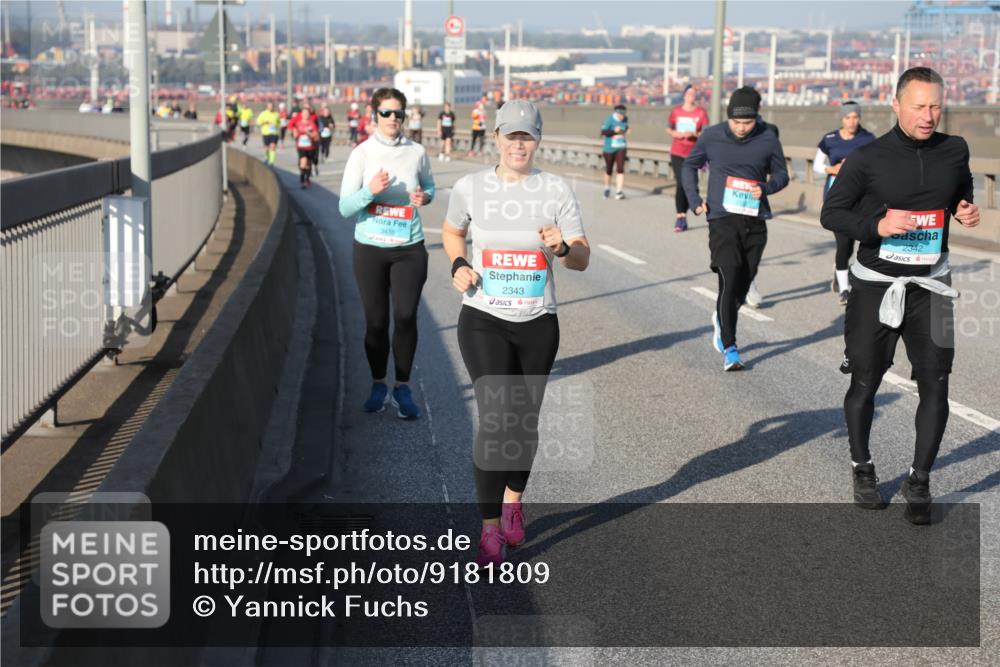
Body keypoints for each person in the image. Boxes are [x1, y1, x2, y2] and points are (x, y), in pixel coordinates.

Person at [820, 67, 978, 524]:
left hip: (933, 286)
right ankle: (862, 467)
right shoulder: (868, 158)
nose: (929, 116)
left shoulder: (955, 150)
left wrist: (965, 207)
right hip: (876, 287)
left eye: (936, 107)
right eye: (919, 106)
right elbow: (832, 213)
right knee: (866, 381)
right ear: (896, 105)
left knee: (937, 383)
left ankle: (920, 479)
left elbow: (960, 188)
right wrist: (877, 227)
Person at [442, 100, 590, 567]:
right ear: (497, 138)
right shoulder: (471, 186)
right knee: (495, 419)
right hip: (483, 316)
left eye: (527, 136)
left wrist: (563, 247)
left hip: (537, 322)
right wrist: (459, 264)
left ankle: (512, 500)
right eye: (511, 136)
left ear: (538, 139)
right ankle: (488, 530)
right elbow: (451, 231)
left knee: (523, 422)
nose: (518, 144)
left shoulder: (556, 188)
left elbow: (582, 256)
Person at [338, 88, 436, 420]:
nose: (393, 119)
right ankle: (379, 383)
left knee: (406, 316)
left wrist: (425, 198)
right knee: (376, 323)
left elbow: (430, 188)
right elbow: (345, 207)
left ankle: (403, 387)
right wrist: (370, 191)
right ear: (374, 115)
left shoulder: (417, 151)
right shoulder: (362, 154)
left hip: (409, 248)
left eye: (398, 113)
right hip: (370, 249)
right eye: (386, 113)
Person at [682, 86, 788, 371]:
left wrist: (765, 188)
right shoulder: (712, 136)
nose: (741, 128)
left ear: (757, 118)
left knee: (744, 282)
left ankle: (722, 316)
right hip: (721, 218)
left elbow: (782, 175)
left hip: (755, 220)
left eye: (747, 122)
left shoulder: (768, 138)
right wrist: (694, 200)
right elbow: (689, 166)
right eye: (736, 122)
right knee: (729, 278)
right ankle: (730, 346)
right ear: (728, 118)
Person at [813, 101, 876, 306]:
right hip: (835, 200)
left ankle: (842, 272)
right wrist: (833, 170)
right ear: (841, 119)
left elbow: (876, 165)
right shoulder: (830, 139)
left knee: (854, 244)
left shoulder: (867, 139)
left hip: (860, 200)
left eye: (855, 117)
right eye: (848, 117)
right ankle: (845, 289)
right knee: (843, 244)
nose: (852, 121)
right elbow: (816, 166)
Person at [666, 85, 709, 231]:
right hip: (677, 151)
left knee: (690, 183)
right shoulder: (676, 111)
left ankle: (692, 206)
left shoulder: (701, 113)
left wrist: (694, 135)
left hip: (693, 153)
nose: (691, 95)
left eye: (694, 93)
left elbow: (706, 132)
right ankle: (680, 217)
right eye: (689, 93)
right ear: (684, 95)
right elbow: (668, 127)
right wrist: (675, 134)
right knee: (681, 182)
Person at [600, 104, 630, 200]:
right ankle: (607, 188)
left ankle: (619, 192)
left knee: (620, 169)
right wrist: (614, 131)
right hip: (609, 148)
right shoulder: (609, 120)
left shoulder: (625, 119)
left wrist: (627, 130)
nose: (622, 117)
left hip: (621, 147)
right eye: (620, 115)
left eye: (623, 115)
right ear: (616, 113)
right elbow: (603, 132)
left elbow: (625, 128)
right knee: (609, 169)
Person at [289, 103, 320, 188]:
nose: (305, 115)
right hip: (301, 147)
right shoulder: (298, 123)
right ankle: (302, 180)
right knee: (303, 162)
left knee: (308, 164)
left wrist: (309, 134)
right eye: (304, 113)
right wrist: (295, 132)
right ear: (301, 114)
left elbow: (316, 136)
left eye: (307, 113)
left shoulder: (312, 123)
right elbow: (292, 129)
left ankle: (307, 178)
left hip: (310, 147)